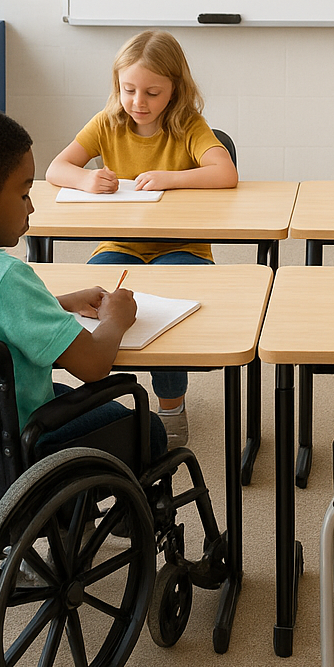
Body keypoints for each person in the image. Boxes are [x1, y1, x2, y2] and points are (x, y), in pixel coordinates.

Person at [0, 106, 167, 460]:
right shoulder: (5, 277)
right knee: (150, 429)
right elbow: (94, 365)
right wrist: (116, 317)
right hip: (13, 444)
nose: (31, 208)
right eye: (24, 194)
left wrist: (57, 302)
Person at [45, 30, 235, 447]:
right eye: (129, 90)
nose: (138, 102)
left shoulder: (188, 125)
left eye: (152, 92)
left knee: (168, 312)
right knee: (94, 300)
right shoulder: (107, 122)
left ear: (175, 90)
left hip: (181, 247)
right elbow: (56, 168)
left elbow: (225, 173)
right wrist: (86, 178)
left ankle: (171, 405)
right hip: (119, 247)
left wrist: (171, 178)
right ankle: (100, 401)